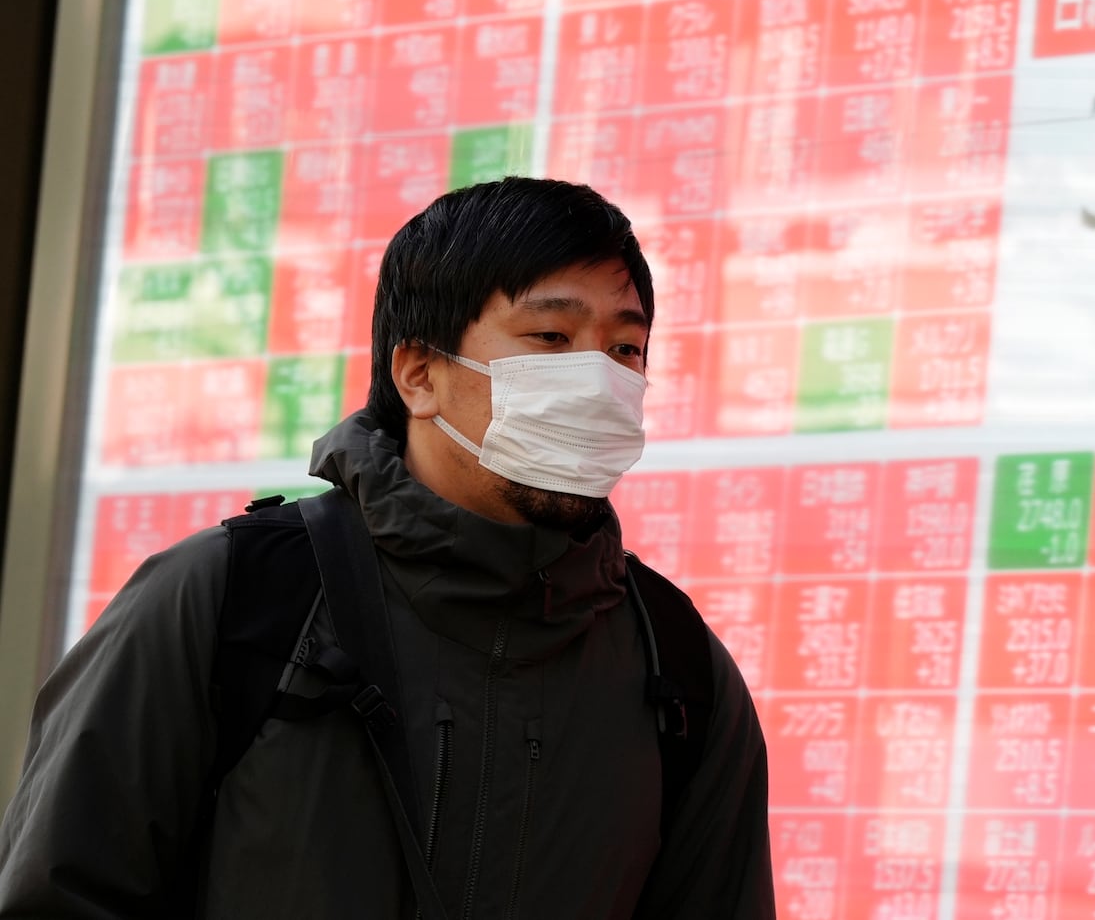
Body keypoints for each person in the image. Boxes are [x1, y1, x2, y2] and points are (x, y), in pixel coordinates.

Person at [0, 178, 776, 918]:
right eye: (552, 337)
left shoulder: (677, 670)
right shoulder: (228, 600)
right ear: (418, 372)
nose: (599, 381)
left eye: (626, 350)